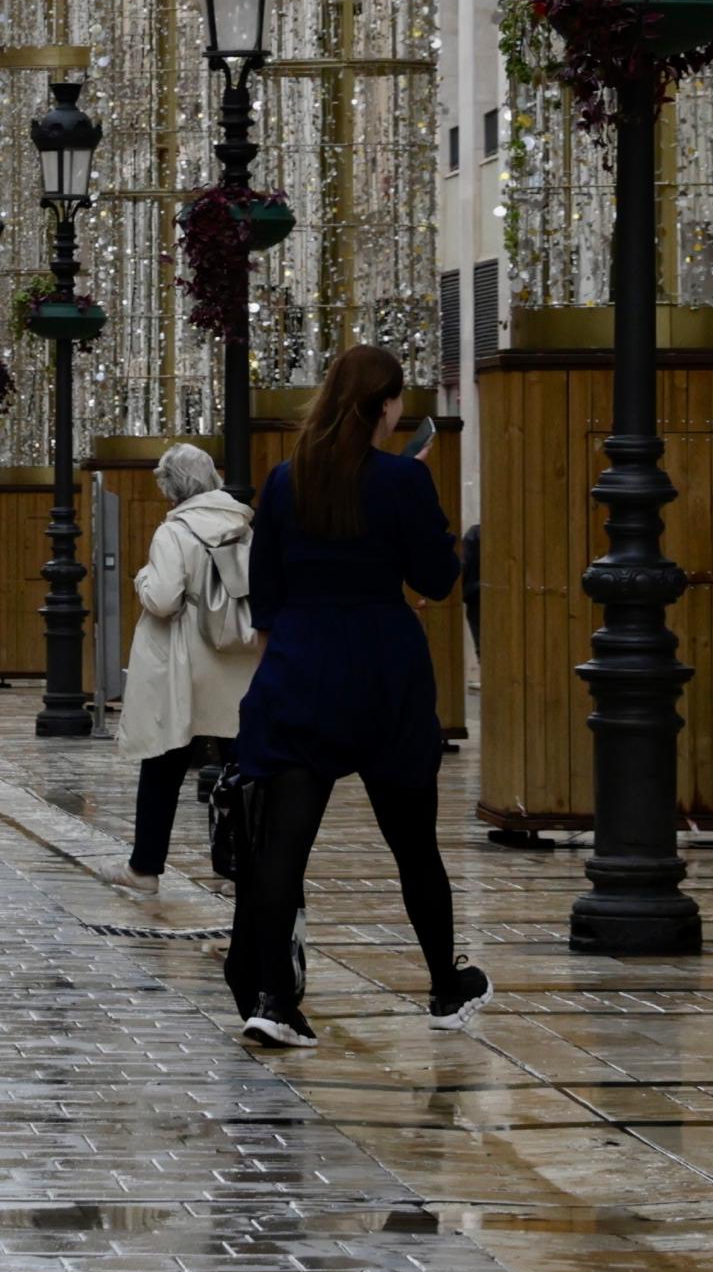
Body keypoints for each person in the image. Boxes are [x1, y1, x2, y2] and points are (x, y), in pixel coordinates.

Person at [219, 344, 487, 1050]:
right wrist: (425, 518)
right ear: (385, 405)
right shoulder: (402, 480)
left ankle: (275, 998)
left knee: (285, 846)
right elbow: (435, 574)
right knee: (413, 844)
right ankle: (442, 985)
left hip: (303, 669)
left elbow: (266, 592)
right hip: (382, 673)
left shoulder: (285, 479)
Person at [110, 440, 259, 876]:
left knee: (163, 766)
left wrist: (142, 577)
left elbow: (162, 598)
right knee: (245, 774)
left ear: (172, 489)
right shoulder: (243, 526)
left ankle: (145, 869)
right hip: (236, 662)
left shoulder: (175, 531)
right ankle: (246, 875)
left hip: (183, 665)